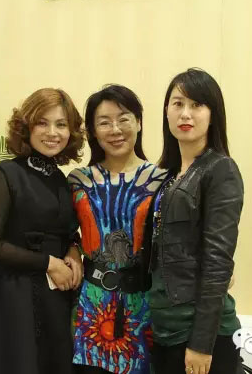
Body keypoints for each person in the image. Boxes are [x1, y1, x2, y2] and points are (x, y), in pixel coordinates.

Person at [0, 88, 85, 374]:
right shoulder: (5, 174)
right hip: (11, 301)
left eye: (61, 124)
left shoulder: (61, 179)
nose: (52, 132)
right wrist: (49, 263)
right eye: (42, 123)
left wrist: (74, 250)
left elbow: (67, 231)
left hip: (53, 301)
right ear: (27, 126)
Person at [148, 68, 244, 374]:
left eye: (196, 105)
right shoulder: (166, 174)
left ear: (213, 114)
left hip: (201, 335)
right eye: (177, 104)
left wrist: (202, 344)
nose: (185, 113)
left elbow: (218, 262)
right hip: (163, 327)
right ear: (166, 111)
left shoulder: (220, 170)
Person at [69, 85, 166, 374]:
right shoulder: (78, 181)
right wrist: (71, 248)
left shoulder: (162, 180)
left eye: (124, 119)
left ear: (139, 122)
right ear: (92, 131)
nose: (115, 130)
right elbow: (60, 230)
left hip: (144, 306)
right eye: (104, 122)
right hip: (90, 304)